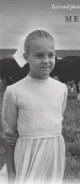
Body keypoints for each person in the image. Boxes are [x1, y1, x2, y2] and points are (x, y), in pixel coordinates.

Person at [1, 30, 68, 184]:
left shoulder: (61, 88)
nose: (46, 60)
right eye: (39, 55)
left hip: (53, 155)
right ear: (26, 57)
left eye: (51, 55)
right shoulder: (14, 92)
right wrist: (11, 173)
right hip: (27, 155)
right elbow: (9, 136)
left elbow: (57, 119)